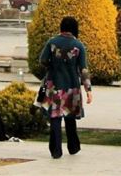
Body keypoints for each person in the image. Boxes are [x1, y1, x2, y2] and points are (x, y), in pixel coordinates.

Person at [39, 16, 93, 159]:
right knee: (70, 118)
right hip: (72, 86)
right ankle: (73, 147)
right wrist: (88, 90)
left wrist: (51, 67)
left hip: (53, 85)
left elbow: (42, 60)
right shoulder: (78, 45)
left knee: (55, 118)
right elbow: (83, 69)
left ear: (61, 27)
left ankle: (56, 151)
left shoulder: (52, 42)